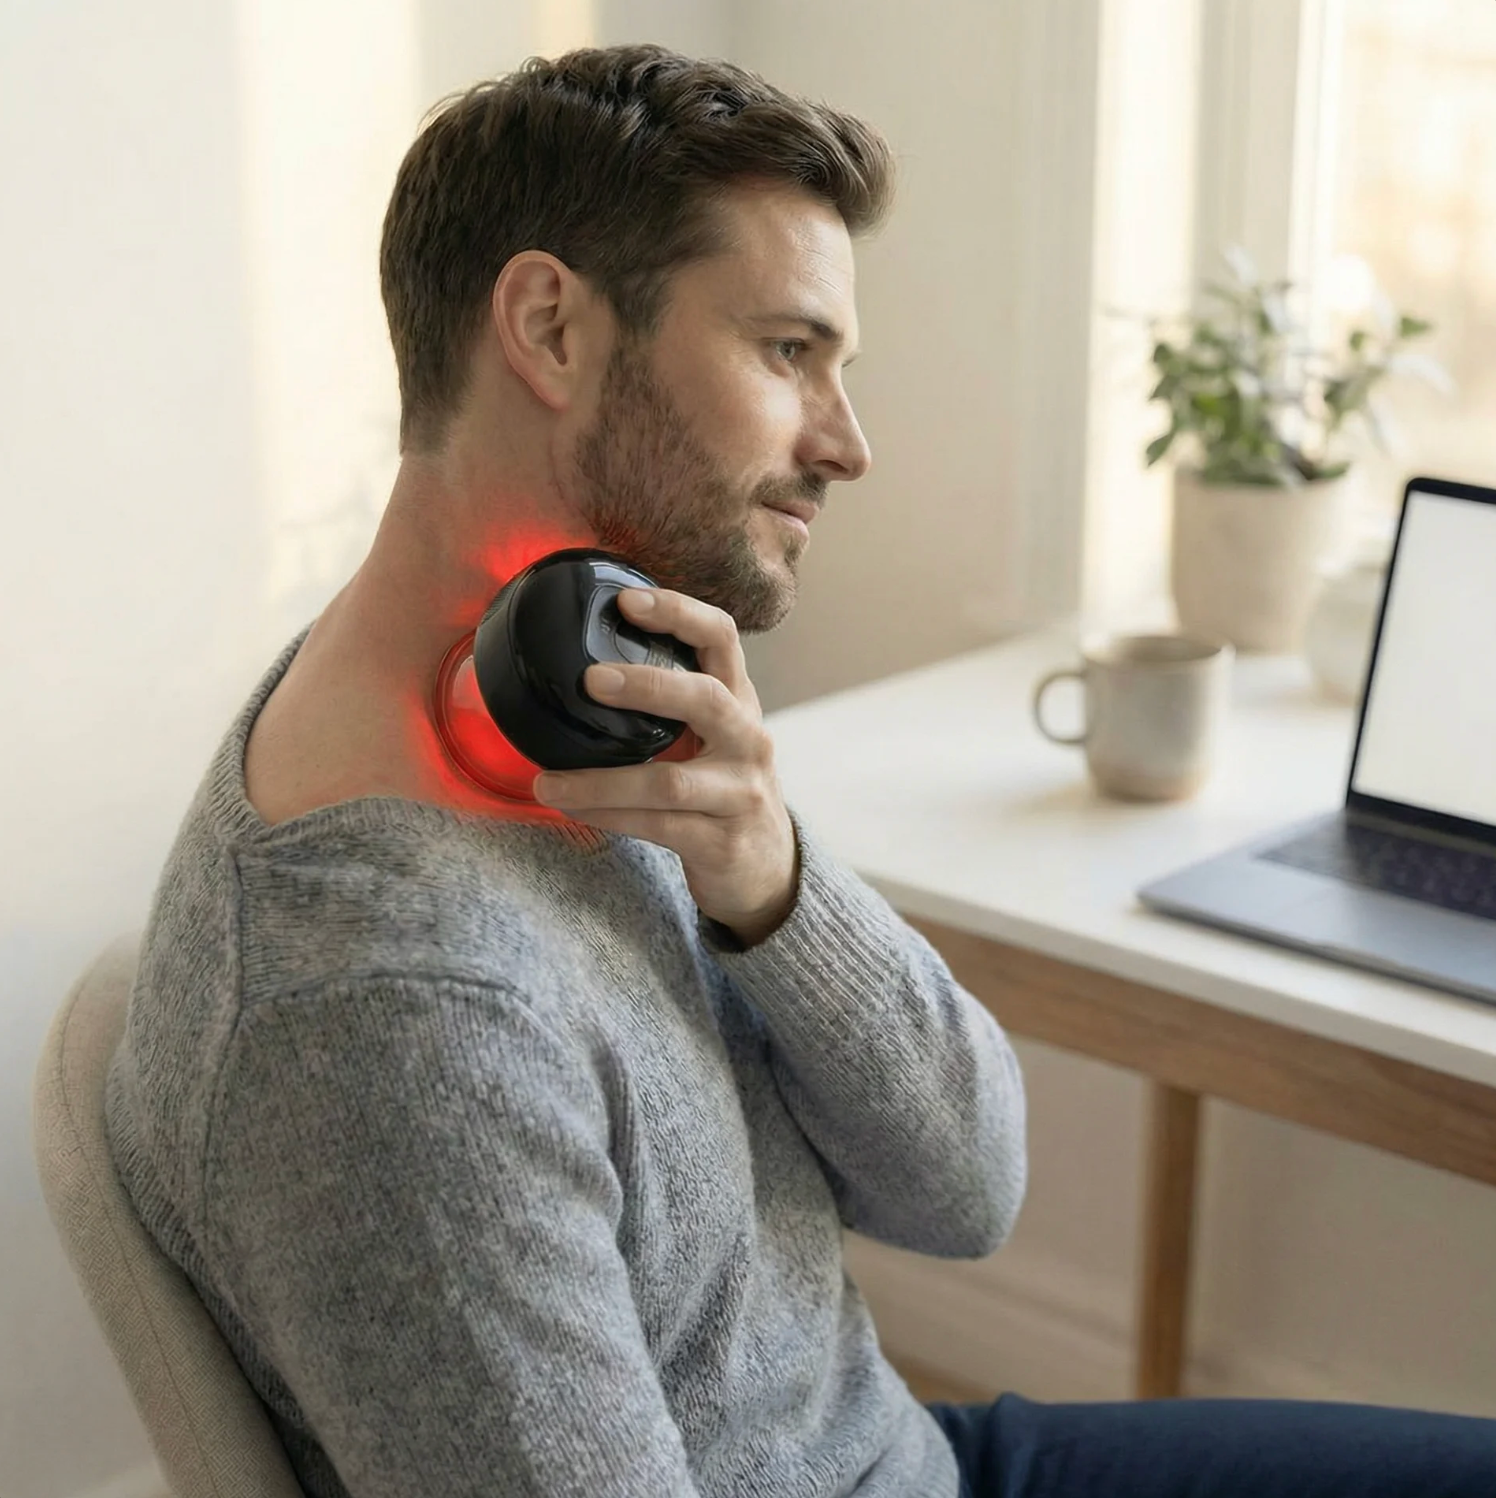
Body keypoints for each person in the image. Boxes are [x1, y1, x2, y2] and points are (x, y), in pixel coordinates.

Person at [104, 42, 1496, 1498]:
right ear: (550, 328)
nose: (849, 444)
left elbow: (968, 1189)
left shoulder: (589, 698)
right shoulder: (395, 1011)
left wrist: (774, 888)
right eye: (787, 352)